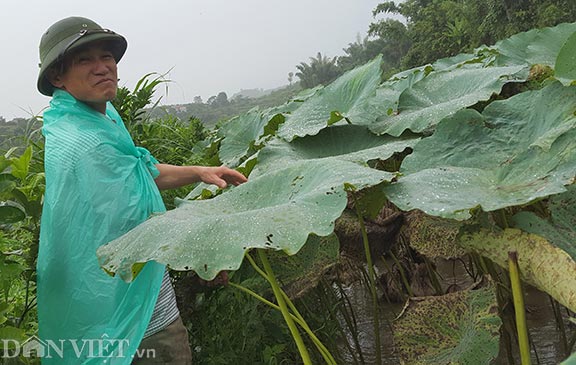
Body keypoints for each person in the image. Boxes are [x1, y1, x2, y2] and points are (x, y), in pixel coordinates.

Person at [36, 16, 247, 364]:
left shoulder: (99, 118)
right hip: (126, 307)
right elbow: (132, 223)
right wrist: (203, 251)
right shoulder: (82, 140)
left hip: (138, 287)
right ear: (58, 77)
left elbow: (139, 171)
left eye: (107, 56)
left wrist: (200, 171)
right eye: (84, 60)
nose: (103, 67)